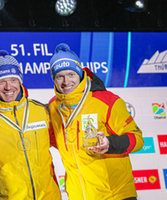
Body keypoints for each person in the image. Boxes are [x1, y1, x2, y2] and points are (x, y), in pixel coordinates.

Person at [48, 43, 144, 200]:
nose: (66, 82)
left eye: (71, 74)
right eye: (60, 76)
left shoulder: (107, 101)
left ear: (80, 73)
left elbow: (138, 139)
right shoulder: (53, 107)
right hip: (79, 196)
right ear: (54, 79)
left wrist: (110, 143)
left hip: (115, 194)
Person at [0, 50, 61, 200]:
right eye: (1, 81)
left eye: (13, 80)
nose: (8, 87)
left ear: (20, 81)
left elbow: (67, 146)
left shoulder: (41, 111)